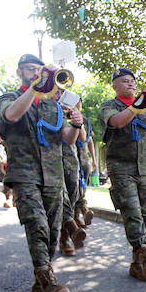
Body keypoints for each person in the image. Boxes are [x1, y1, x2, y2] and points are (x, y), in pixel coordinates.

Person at [0, 54, 83, 292]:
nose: (33, 73)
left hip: (53, 175)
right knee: (37, 225)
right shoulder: (10, 98)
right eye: (28, 70)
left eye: (37, 69)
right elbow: (11, 116)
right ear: (19, 73)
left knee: (54, 231)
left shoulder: (52, 104)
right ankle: (47, 281)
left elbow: (66, 138)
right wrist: (35, 89)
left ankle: (41, 280)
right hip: (25, 174)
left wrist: (76, 125)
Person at [98, 67, 146, 282]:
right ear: (114, 86)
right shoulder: (108, 106)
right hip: (121, 168)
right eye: (125, 81)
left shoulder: (145, 108)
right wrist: (139, 105)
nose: (131, 84)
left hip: (145, 168)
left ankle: (138, 263)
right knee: (132, 212)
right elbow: (117, 122)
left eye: (132, 81)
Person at [55, 87, 87, 256]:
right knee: (61, 199)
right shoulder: (47, 109)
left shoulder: (70, 112)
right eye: (57, 92)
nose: (59, 96)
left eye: (63, 93)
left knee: (72, 198)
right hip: (52, 163)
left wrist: (75, 117)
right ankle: (67, 235)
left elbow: (82, 137)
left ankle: (65, 235)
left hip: (71, 162)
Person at [73, 112, 96, 228]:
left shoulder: (84, 120)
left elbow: (89, 139)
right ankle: (83, 211)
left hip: (84, 159)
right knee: (75, 189)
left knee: (82, 188)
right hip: (71, 159)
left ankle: (78, 216)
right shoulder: (65, 115)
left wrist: (94, 159)